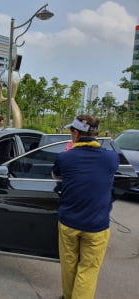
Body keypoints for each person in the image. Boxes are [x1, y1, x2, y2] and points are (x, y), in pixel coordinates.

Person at [52, 115, 119, 299]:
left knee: (69, 264)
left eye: (71, 132)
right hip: (97, 226)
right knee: (88, 270)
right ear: (96, 133)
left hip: (69, 223)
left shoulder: (64, 157)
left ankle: (67, 296)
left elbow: (56, 177)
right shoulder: (111, 158)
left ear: (75, 133)